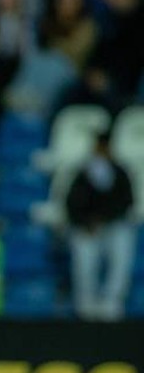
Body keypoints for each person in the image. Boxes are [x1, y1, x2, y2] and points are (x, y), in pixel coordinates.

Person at [65, 130, 135, 321]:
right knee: (83, 252)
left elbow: (128, 202)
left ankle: (111, 303)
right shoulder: (82, 173)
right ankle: (86, 307)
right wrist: (87, 222)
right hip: (87, 228)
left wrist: (105, 219)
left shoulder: (120, 172)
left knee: (124, 241)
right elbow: (72, 203)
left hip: (112, 226)